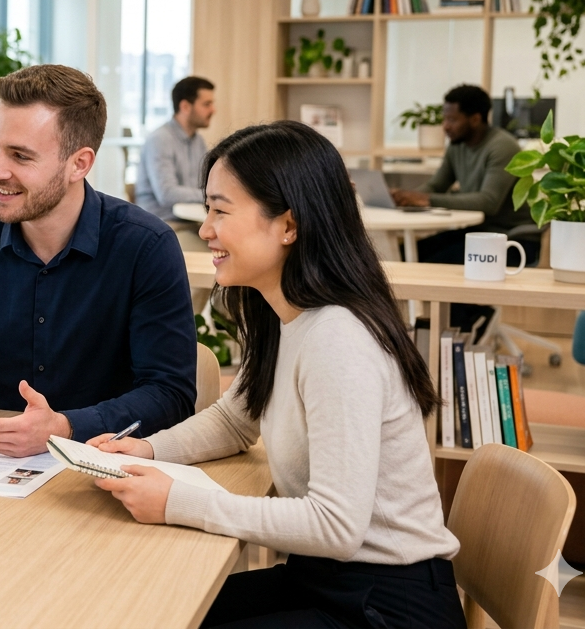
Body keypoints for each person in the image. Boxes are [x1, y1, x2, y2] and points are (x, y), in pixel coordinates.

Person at [90, 121, 465, 628]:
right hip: (328, 578)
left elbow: (336, 526)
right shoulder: (284, 315)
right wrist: (148, 449)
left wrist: (180, 502)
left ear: (288, 225)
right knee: (154, 606)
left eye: (221, 210)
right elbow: (234, 421)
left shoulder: (338, 338)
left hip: (386, 606)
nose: (205, 230)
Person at [0, 64, 197, 458]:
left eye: (20, 156)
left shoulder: (146, 246)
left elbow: (171, 393)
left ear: (79, 164)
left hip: (105, 466)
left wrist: (65, 427)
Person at [390, 83, 534, 333]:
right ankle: (442, 327)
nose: (445, 126)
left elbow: (488, 202)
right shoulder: (457, 146)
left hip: (511, 239)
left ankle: (468, 326)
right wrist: (404, 197)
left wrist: (425, 200)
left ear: (475, 119)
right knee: (405, 255)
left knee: (437, 264)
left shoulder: (502, 147)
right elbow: (437, 185)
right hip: (477, 233)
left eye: (452, 119)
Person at [134, 76, 215, 251]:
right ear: (185, 106)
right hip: (161, 225)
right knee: (213, 252)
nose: (213, 110)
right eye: (206, 104)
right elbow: (167, 193)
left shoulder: (198, 141)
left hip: (190, 220)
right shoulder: (160, 140)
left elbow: (204, 184)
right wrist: (208, 195)